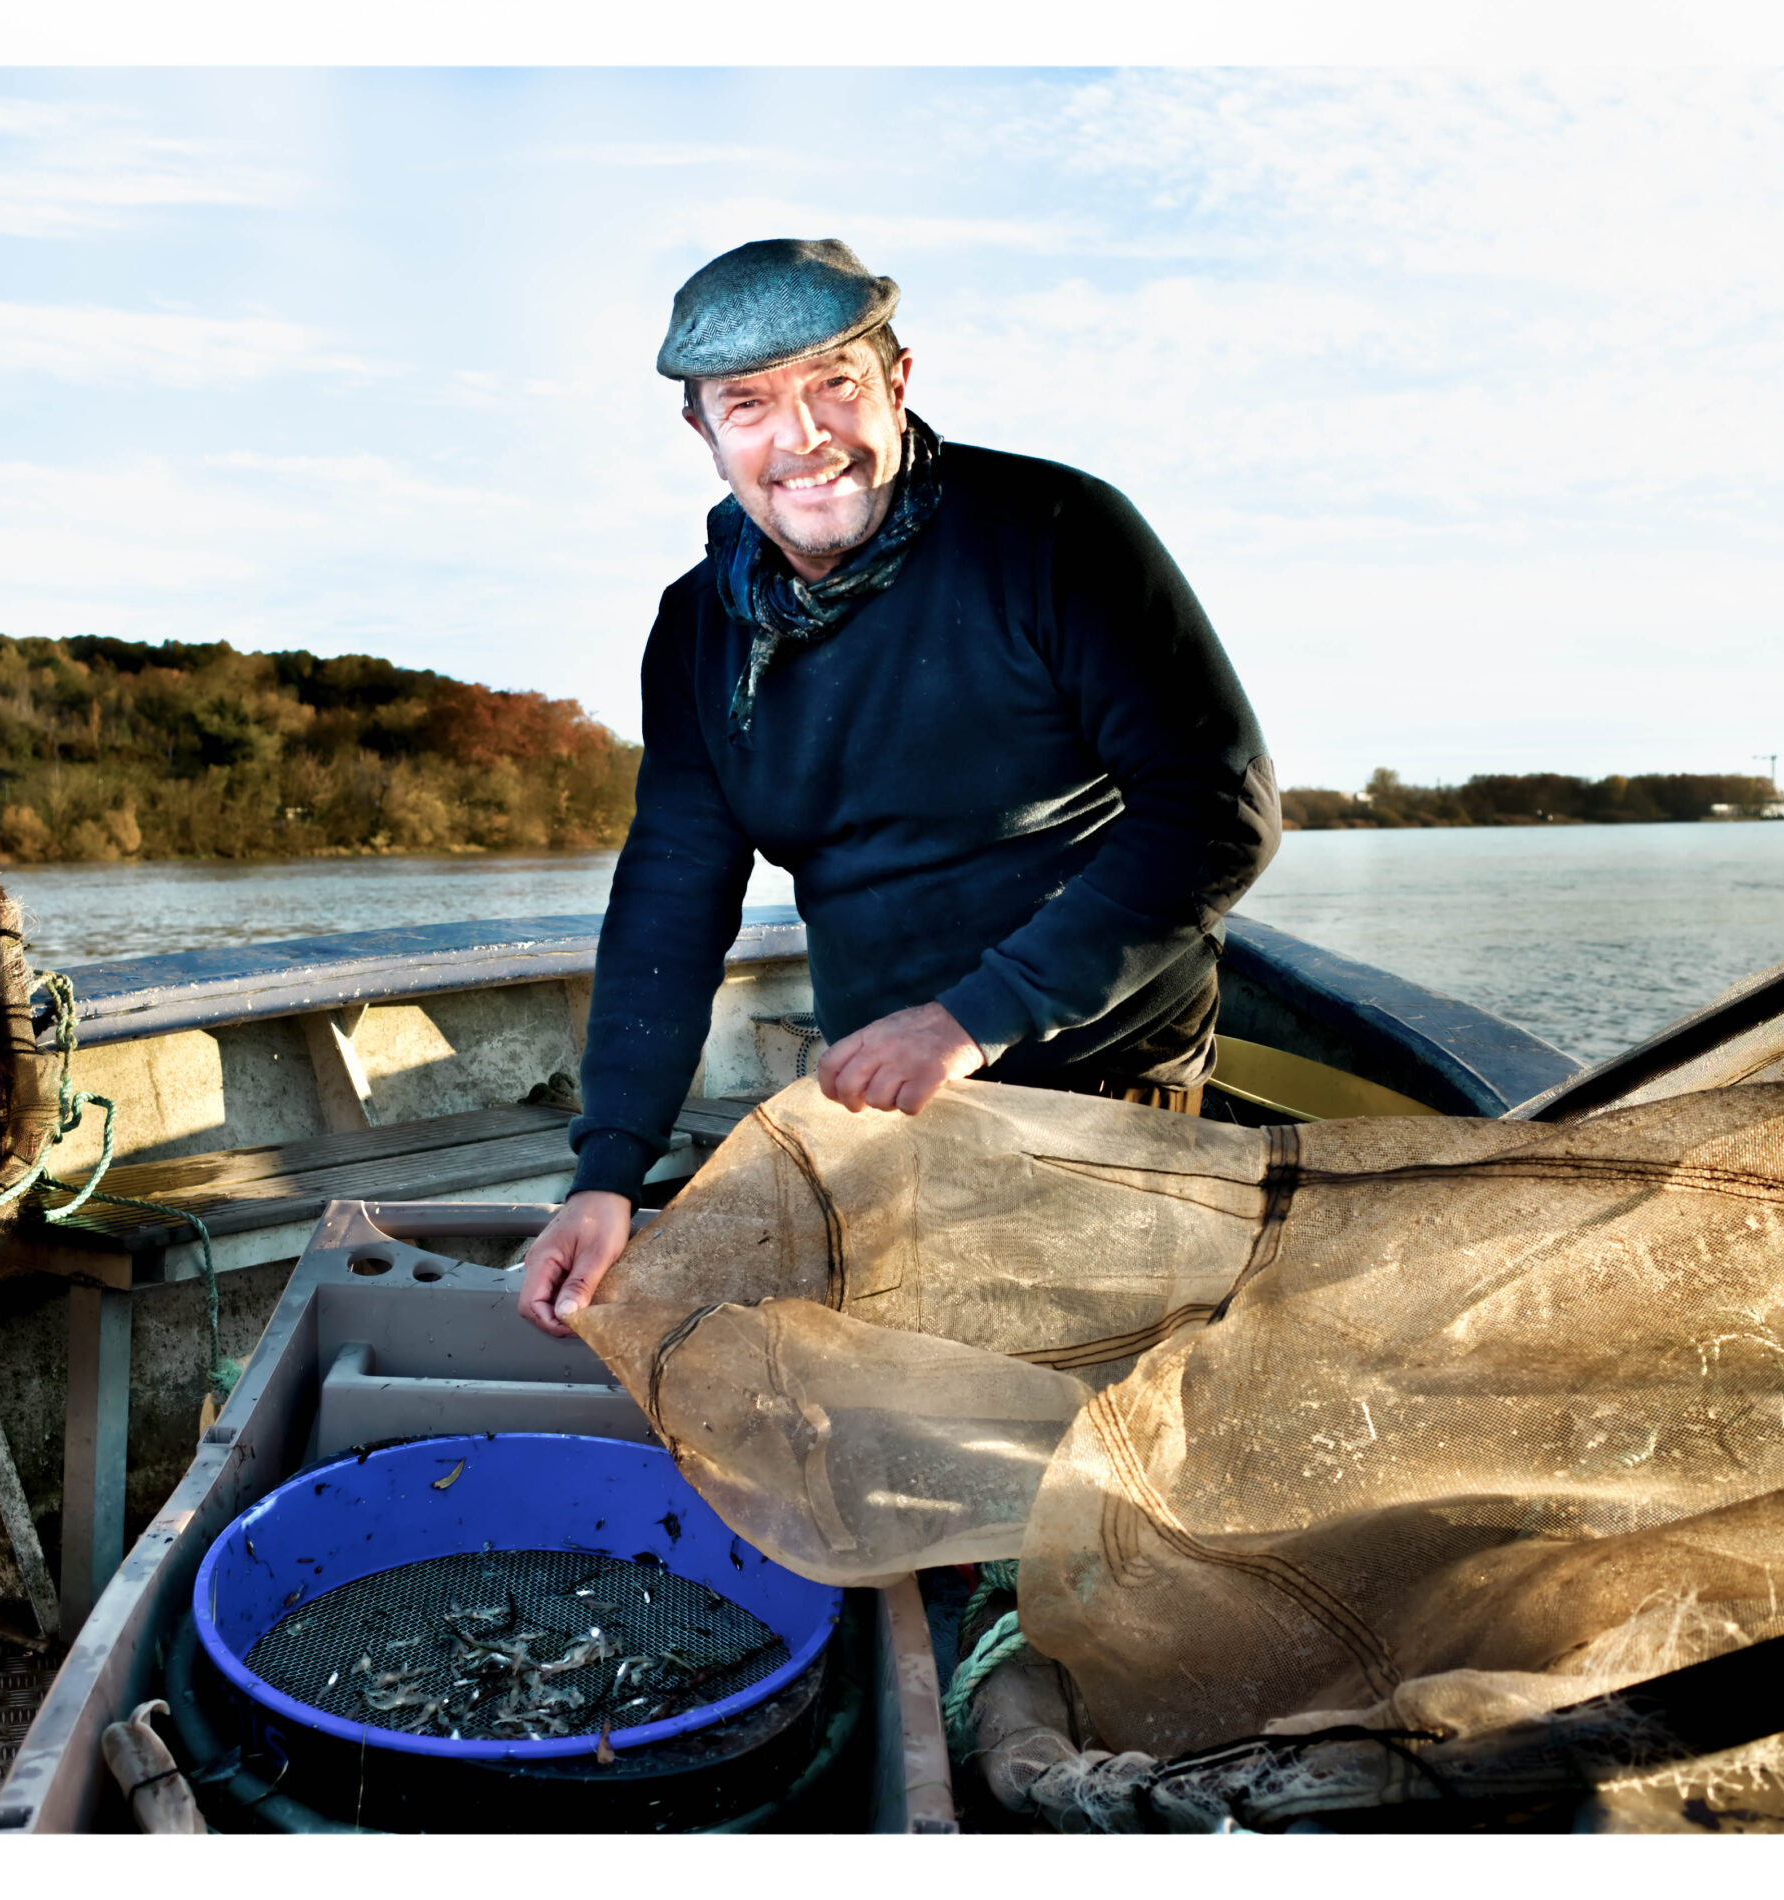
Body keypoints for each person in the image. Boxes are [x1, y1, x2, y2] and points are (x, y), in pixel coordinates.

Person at [518, 237, 1279, 1338]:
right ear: (702, 431)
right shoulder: (697, 627)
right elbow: (670, 899)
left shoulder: (1057, 534)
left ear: (899, 380)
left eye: (836, 383)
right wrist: (608, 1170)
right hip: (884, 1106)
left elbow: (1216, 807)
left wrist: (971, 1019)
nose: (803, 437)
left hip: (1107, 1092)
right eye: (749, 404)